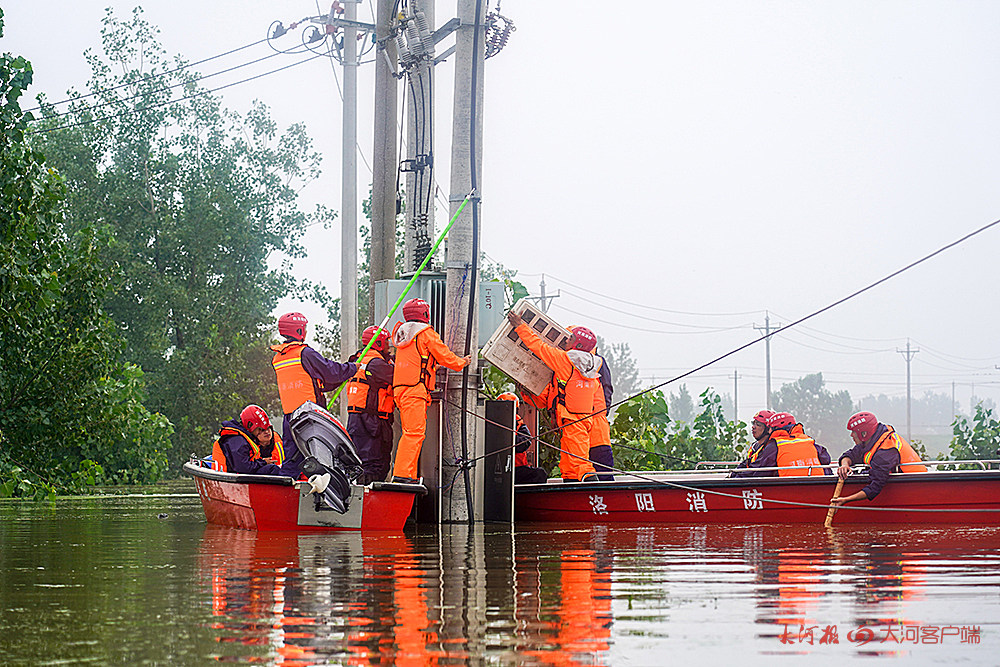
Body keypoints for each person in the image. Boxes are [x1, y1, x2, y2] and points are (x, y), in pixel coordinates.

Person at [506, 310, 601, 482]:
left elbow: (539, 347)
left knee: (578, 463)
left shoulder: (566, 360)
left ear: (578, 346)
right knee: (570, 462)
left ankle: (585, 488)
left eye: (570, 338)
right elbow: (553, 397)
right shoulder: (590, 368)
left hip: (572, 420)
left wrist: (520, 327)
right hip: (580, 420)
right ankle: (572, 486)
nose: (566, 340)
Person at [390, 298, 472, 483]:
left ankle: (408, 474)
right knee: (414, 433)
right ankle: (402, 475)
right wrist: (462, 362)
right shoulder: (425, 333)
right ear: (425, 314)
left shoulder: (402, 334)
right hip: (415, 390)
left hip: (401, 391)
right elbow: (445, 356)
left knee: (409, 432)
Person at [270, 312, 359, 469]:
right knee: (320, 458)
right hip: (309, 416)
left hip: (290, 416)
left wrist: (345, 372)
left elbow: (318, 381)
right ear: (299, 331)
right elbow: (331, 372)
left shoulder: (278, 357)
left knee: (292, 461)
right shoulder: (305, 353)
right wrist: (352, 368)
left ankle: (288, 489)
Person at [831, 411, 927, 505]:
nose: (851, 435)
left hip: (917, 486)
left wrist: (846, 500)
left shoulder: (886, 451)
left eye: (854, 432)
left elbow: (875, 487)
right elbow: (850, 455)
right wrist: (844, 465)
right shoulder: (870, 442)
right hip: (913, 485)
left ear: (864, 434)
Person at [347, 325, 395, 484]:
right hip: (373, 423)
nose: (389, 346)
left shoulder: (357, 360)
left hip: (356, 421)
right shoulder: (377, 364)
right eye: (387, 342)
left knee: (360, 463)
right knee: (375, 467)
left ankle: (359, 499)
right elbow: (400, 377)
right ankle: (369, 503)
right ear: (380, 343)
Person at [730, 412, 830, 477]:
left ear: (774, 428)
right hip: (814, 485)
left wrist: (734, 477)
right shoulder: (808, 440)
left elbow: (758, 471)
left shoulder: (775, 446)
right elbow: (826, 459)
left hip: (788, 488)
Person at [212, 405, 297, 476]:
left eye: (268, 428)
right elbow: (243, 468)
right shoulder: (237, 441)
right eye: (261, 429)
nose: (266, 432)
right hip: (231, 479)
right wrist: (263, 462)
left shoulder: (252, 439)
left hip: (243, 475)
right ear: (250, 427)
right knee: (272, 469)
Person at [581, 328, 616, 482]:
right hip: (580, 433)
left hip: (595, 431)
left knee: (603, 476)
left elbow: (607, 389)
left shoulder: (598, 361)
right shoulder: (566, 362)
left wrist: (599, 413)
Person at [497, 392, 548, 484]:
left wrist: (509, 440)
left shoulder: (519, 423)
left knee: (540, 474)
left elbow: (525, 443)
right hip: (497, 468)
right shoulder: (492, 421)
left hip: (517, 469)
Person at [729, 409, 775, 477]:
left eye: (758, 425)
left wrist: (735, 479)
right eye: (753, 423)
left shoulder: (770, 448)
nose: (753, 427)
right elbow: (746, 464)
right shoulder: (755, 446)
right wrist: (732, 474)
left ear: (768, 429)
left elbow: (755, 470)